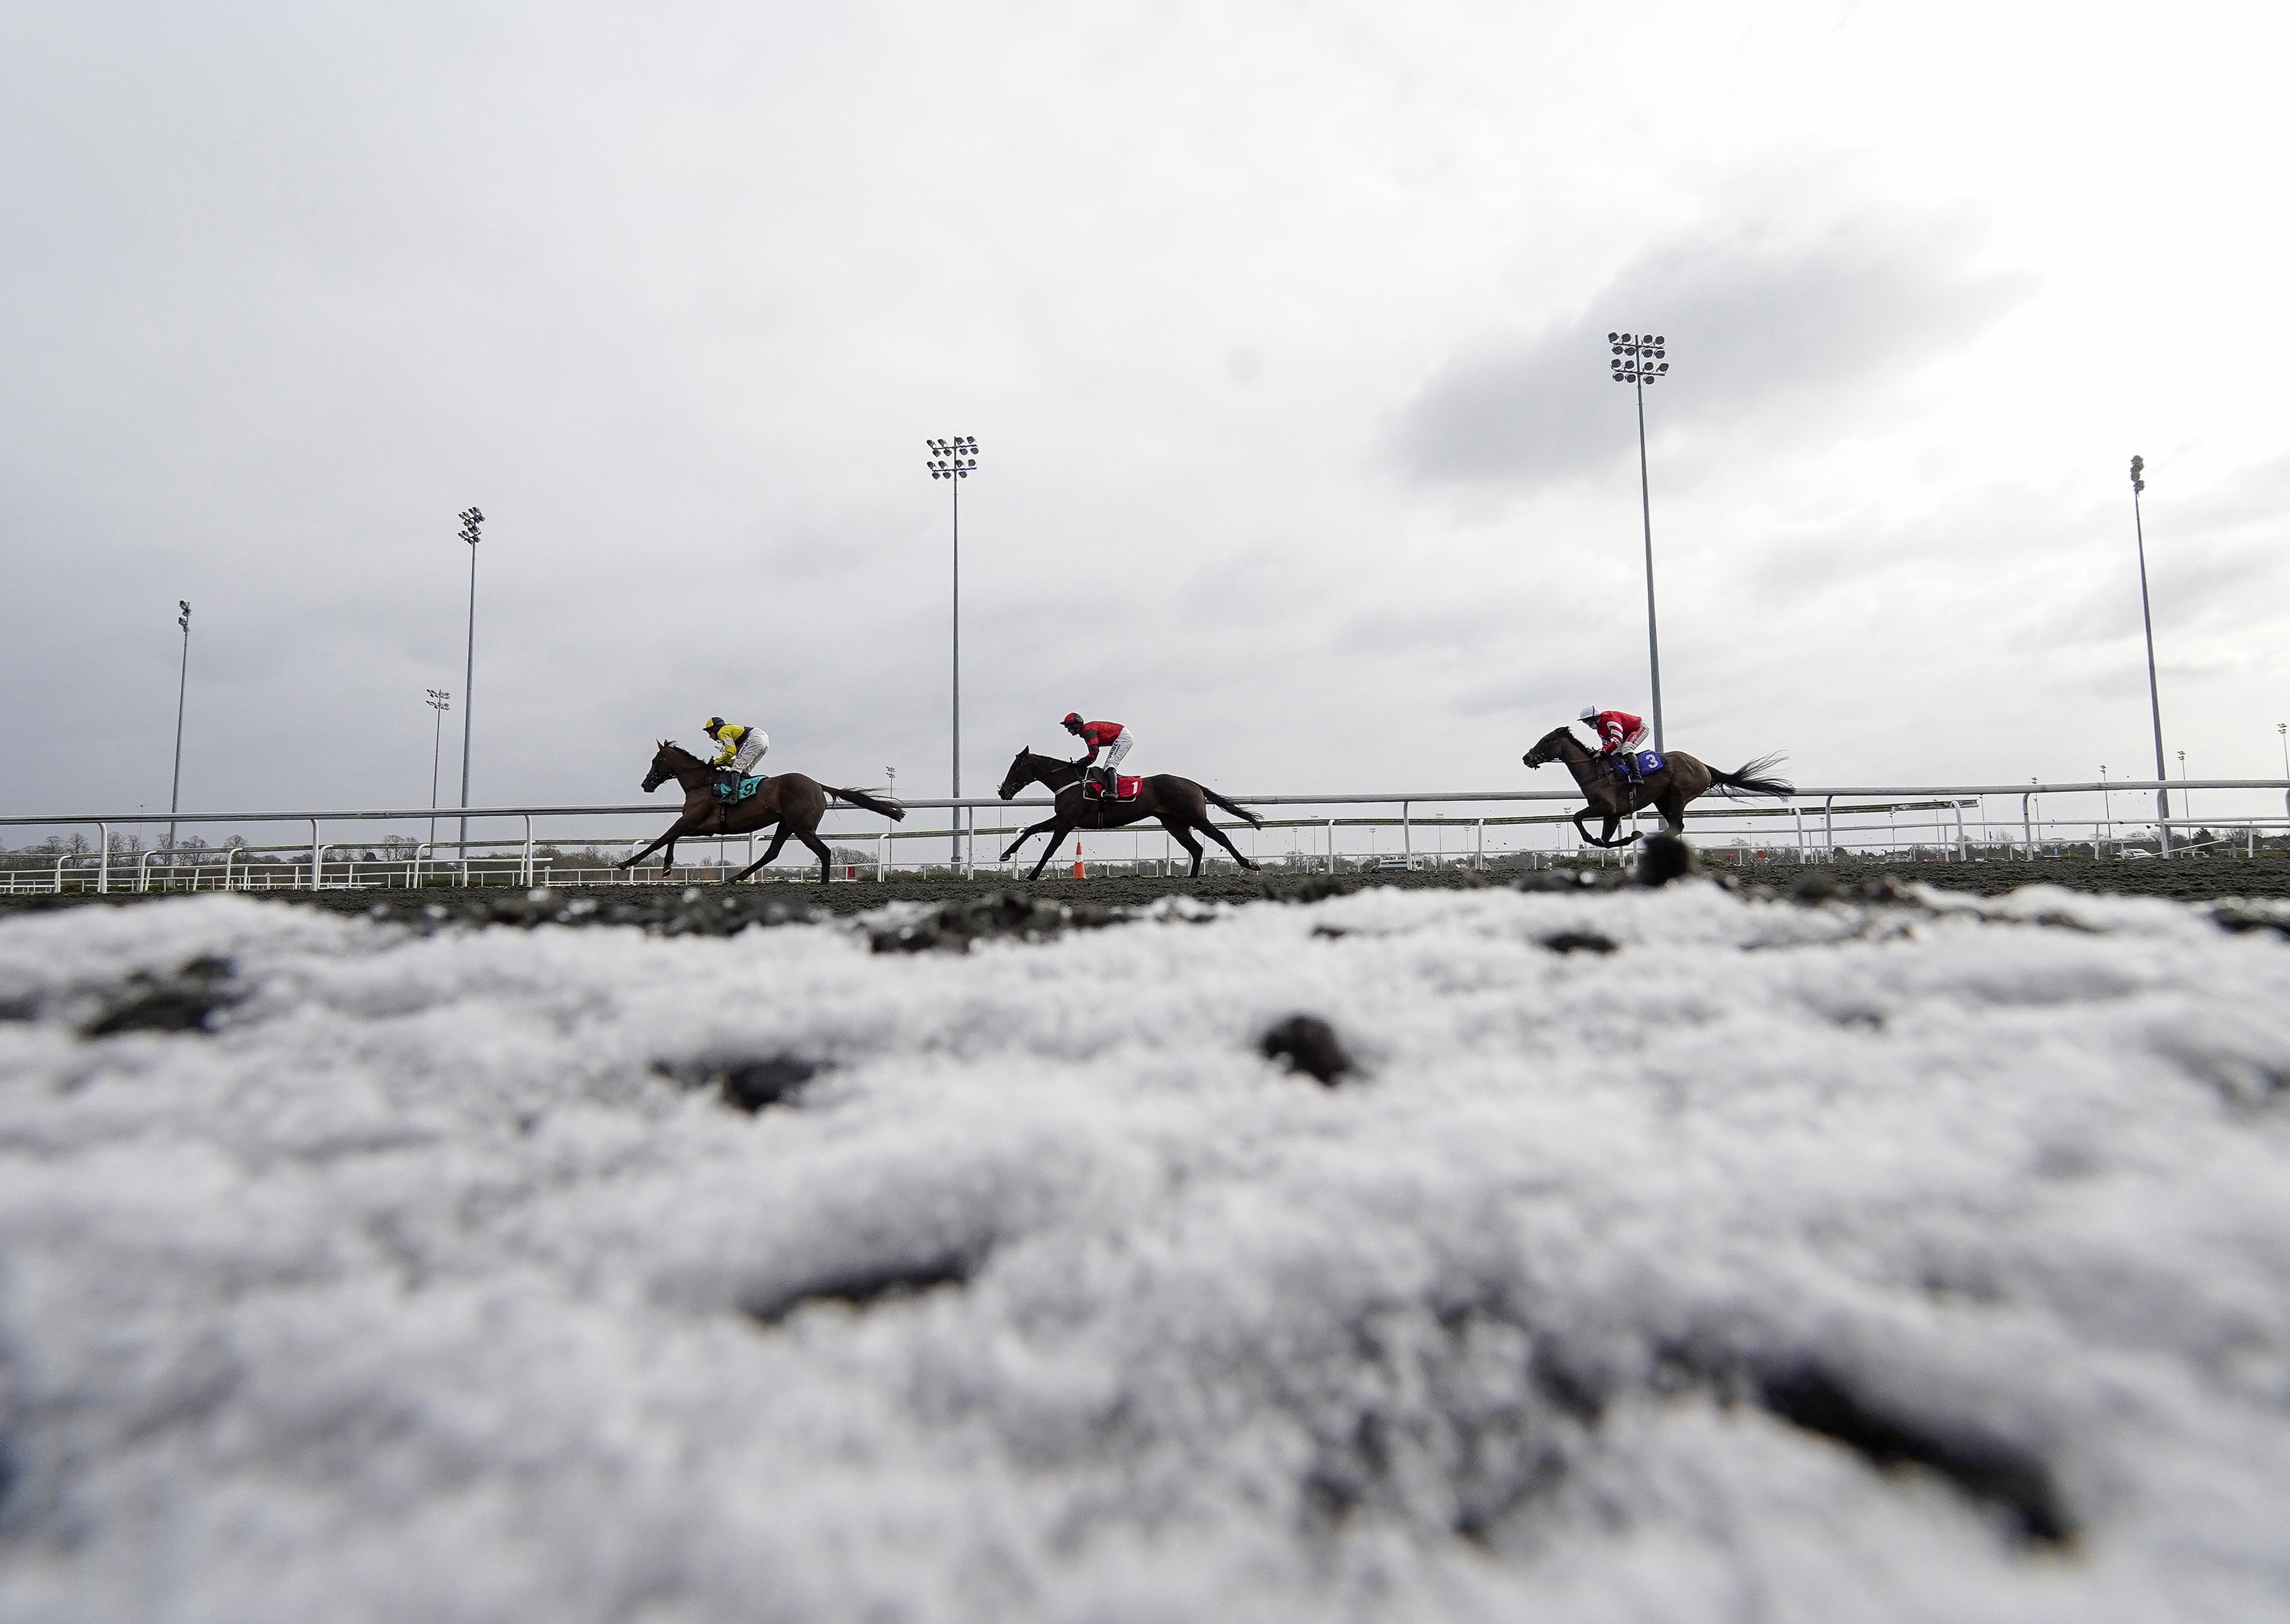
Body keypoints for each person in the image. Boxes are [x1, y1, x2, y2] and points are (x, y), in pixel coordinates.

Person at [1578, 705, 1649, 787]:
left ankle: (1637, 776)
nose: (1589, 725)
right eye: (1586, 723)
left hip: (1639, 727)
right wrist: (1602, 753)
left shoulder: (1610, 720)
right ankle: (1625, 774)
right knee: (1613, 753)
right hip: (1626, 734)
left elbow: (1617, 741)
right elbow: (1607, 746)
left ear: (1595, 717)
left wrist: (1602, 753)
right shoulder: (1600, 730)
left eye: (1589, 722)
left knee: (1626, 748)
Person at [1062, 712, 1131, 796]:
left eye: (1069, 726)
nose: (1068, 730)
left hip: (1123, 737)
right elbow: (1093, 754)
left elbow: (1094, 753)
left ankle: (1113, 793)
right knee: (1108, 766)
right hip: (1121, 736)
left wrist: (1079, 763)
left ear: (1076, 725)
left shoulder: (1088, 731)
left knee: (1110, 765)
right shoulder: (1086, 731)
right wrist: (1081, 763)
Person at [701, 716, 769, 799]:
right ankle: (745, 794)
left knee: (737, 768)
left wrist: (716, 762)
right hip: (764, 741)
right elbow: (738, 758)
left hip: (755, 738)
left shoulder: (722, 732)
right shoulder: (732, 734)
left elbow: (731, 751)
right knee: (745, 770)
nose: (710, 737)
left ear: (715, 729)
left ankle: (733, 796)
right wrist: (726, 762)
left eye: (710, 733)